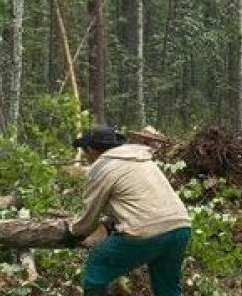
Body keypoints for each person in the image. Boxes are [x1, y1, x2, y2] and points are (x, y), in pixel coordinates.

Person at [63, 125, 191, 296]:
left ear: (92, 149)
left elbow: (90, 216)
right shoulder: (140, 159)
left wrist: (73, 232)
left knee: (97, 267)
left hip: (145, 231)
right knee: (167, 288)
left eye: (86, 150)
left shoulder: (101, 169)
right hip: (180, 227)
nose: (86, 156)